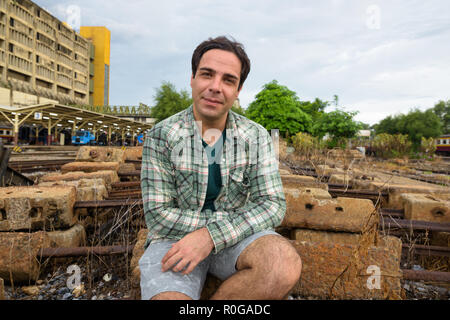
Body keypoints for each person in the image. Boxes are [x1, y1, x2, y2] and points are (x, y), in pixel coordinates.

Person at [139, 36, 302, 300]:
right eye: (207, 75)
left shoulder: (255, 136)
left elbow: (272, 204)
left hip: (237, 239)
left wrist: (210, 237)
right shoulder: (162, 135)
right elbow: (158, 215)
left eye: (229, 80)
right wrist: (212, 231)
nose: (216, 87)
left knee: (282, 263)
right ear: (192, 79)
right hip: (173, 240)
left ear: (238, 91)